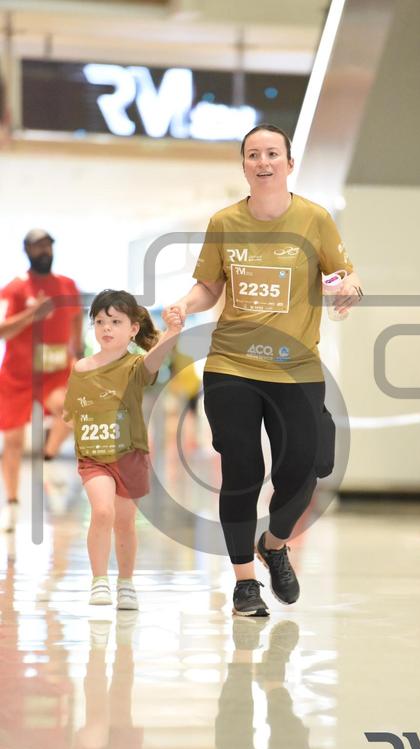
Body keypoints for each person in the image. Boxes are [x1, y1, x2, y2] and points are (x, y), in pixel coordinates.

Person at [164, 124, 363, 617]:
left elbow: (343, 273)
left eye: (273, 153)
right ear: (244, 166)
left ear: (289, 164)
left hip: (296, 367)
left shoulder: (314, 219)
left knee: (306, 469)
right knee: (242, 470)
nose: (263, 162)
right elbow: (209, 286)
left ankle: (273, 544)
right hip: (232, 363)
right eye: (253, 154)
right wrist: (185, 304)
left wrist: (349, 288)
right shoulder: (225, 222)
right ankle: (244, 584)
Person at [62, 290, 182, 609]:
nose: (107, 328)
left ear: (132, 329)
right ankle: (99, 580)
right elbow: (70, 412)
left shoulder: (135, 366)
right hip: (93, 457)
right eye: (100, 321)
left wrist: (172, 332)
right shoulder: (81, 368)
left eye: (116, 322)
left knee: (125, 522)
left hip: (130, 455)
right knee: (102, 512)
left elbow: (154, 359)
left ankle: (126, 582)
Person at [0, 229, 83, 532]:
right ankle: (11, 504)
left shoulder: (67, 285)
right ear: (27, 250)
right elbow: (2, 330)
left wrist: (78, 353)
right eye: (38, 247)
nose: (44, 251)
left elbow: (76, 318)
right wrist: (31, 315)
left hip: (55, 373)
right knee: (13, 442)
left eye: (48, 245)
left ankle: (47, 458)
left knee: (72, 409)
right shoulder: (14, 289)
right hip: (18, 376)